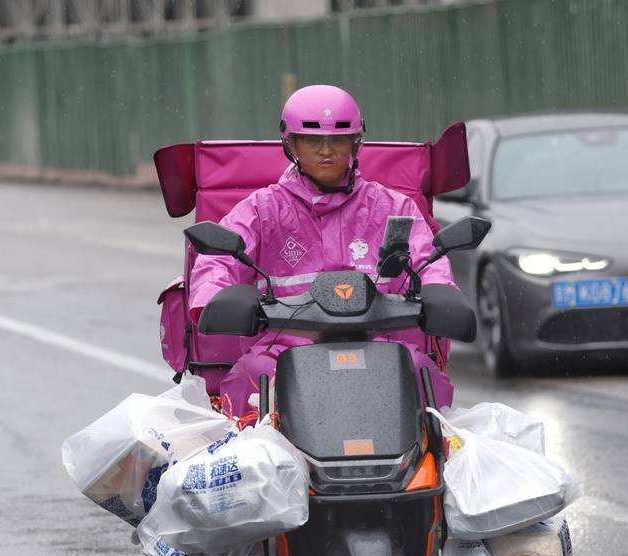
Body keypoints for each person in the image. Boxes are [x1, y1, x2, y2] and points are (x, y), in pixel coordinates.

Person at [188, 84, 457, 417]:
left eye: (338, 140)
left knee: (419, 370)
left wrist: (441, 293)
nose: (326, 151)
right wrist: (215, 298)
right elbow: (219, 258)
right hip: (283, 352)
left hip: (383, 347)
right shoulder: (261, 209)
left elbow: (428, 259)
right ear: (292, 145)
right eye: (313, 140)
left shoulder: (392, 206)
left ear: (355, 144)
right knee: (253, 376)